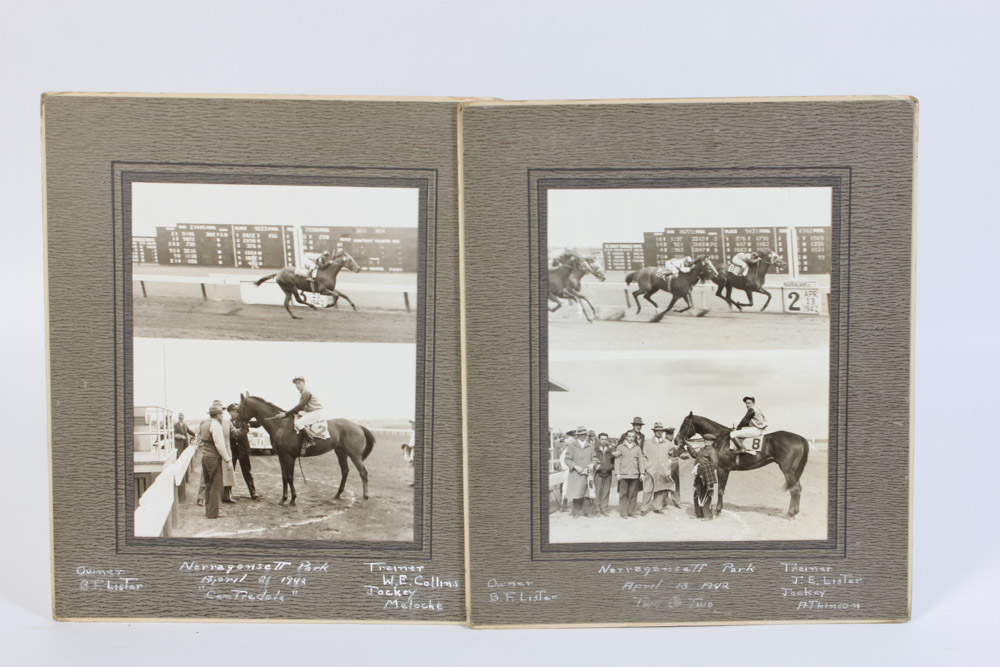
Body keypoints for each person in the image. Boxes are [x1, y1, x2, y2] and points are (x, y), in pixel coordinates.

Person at [275, 376, 327, 458]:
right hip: (310, 412)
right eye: (296, 384)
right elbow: (300, 409)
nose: (297, 385)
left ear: (304, 383)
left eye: (299, 383)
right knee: (297, 416)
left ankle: (311, 440)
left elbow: (299, 407)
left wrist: (285, 414)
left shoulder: (306, 393)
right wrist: (289, 414)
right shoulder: (302, 394)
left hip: (316, 412)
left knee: (298, 423)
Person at [197, 404, 232, 519]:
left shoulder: (204, 424)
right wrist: (228, 460)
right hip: (213, 458)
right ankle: (214, 512)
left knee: (208, 485)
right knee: (216, 486)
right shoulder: (216, 425)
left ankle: (209, 511)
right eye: (221, 414)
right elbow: (220, 445)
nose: (222, 416)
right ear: (217, 415)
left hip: (205, 457)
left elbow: (200, 441)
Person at [227, 404, 259, 500]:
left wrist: (254, 418)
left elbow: (258, 423)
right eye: (233, 411)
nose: (236, 413)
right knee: (230, 471)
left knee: (247, 471)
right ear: (229, 412)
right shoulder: (227, 423)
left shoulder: (244, 421)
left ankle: (253, 492)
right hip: (232, 450)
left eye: (237, 411)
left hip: (243, 450)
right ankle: (228, 493)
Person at [641, 422, 675, 514]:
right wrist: (646, 466)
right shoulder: (647, 442)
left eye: (661, 431)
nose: (659, 432)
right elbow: (644, 456)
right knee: (647, 489)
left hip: (662, 470)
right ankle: (644, 508)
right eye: (657, 430)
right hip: (650, 470)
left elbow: (671, 455)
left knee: (660, 489)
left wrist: (667, 464)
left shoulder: (667, 443)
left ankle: (657, 507)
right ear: (654, 431)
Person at [563, 425, 594, 518]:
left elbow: (594, 458)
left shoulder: (590, 446)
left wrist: (592, 464)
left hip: (587, 473)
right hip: (576, 473)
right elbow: (567, 459)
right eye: (581, 434)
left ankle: (587, 511)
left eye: (585, 434)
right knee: (576, 492)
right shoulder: (572, 446)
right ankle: (576, 512)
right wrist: (575, 467)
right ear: (577, 435)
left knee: (587, 492)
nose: (583, 436)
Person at [614, 430, 645, 518]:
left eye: (633, 437)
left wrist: (642, 473)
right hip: (623, 475)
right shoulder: (620, 447)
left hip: (634, 474)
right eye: (629, 436)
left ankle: (631, 512)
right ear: (626, 437)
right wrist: (617, 473)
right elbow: (617, 461)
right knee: (623, 494)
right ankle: (624, 513)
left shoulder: (637, 448)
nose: (631, 438)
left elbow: (640, 461)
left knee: (633, 494)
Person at [692, 442, 719, 521]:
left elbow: (715, 464)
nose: (706, 441)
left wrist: (703, 467)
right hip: (699, 473)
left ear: (712, 441)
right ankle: (699, 514)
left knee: (707, 494)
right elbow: (695, 455)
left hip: (706, 475)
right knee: (697, 493)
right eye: (705, 440)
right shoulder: (702, 449)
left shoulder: (712, 451)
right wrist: (689, 447)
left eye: (708, 440)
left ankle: (708, 515)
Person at [592, 432, 615, 516]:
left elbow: (614, 461)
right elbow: (591, 459)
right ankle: (597, 509)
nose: (604, 441)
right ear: (599, 439)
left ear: (607, 440)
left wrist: (611, 467)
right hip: (598, 473)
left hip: (608, 473)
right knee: (598, 491)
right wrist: (595, 466)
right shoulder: (595, 450)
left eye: (605, 439)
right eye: (602, 439)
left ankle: (604, 509)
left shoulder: (610, 450)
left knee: (606, 491)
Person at [664, 426, 684, 508]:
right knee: (665, 482)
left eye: (672, 434)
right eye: (669, 434)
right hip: (667, 464)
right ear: (666, 434)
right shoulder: (664, 442)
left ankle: (677, 501)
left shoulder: (674, 442)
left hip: (675, 463)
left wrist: (682, 455)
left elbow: (678, 453)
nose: (671, 435)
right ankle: (663, 502)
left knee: (676, 483)